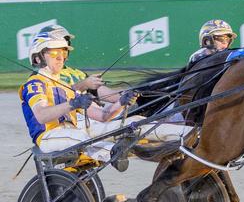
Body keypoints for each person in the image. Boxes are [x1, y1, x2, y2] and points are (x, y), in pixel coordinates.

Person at [19, 32, 191, 169]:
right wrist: (73, 103)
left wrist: (122, 102)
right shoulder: (34, 84)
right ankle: (115, 153)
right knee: (83, 137)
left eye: (64, 52)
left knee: (135, 122)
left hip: (77, 131)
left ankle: (189, 133)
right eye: (54, 52)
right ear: (37, 58)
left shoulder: (66, 87)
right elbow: (41, 116)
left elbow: (103, 116)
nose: (61, 57)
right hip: (49, 136)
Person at [39, 24, 119, 102]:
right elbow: (58, 100)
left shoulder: (78, 74)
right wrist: (84, 84)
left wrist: (123, 98)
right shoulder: (41, 76)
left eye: (65, 45)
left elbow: (101, 91)